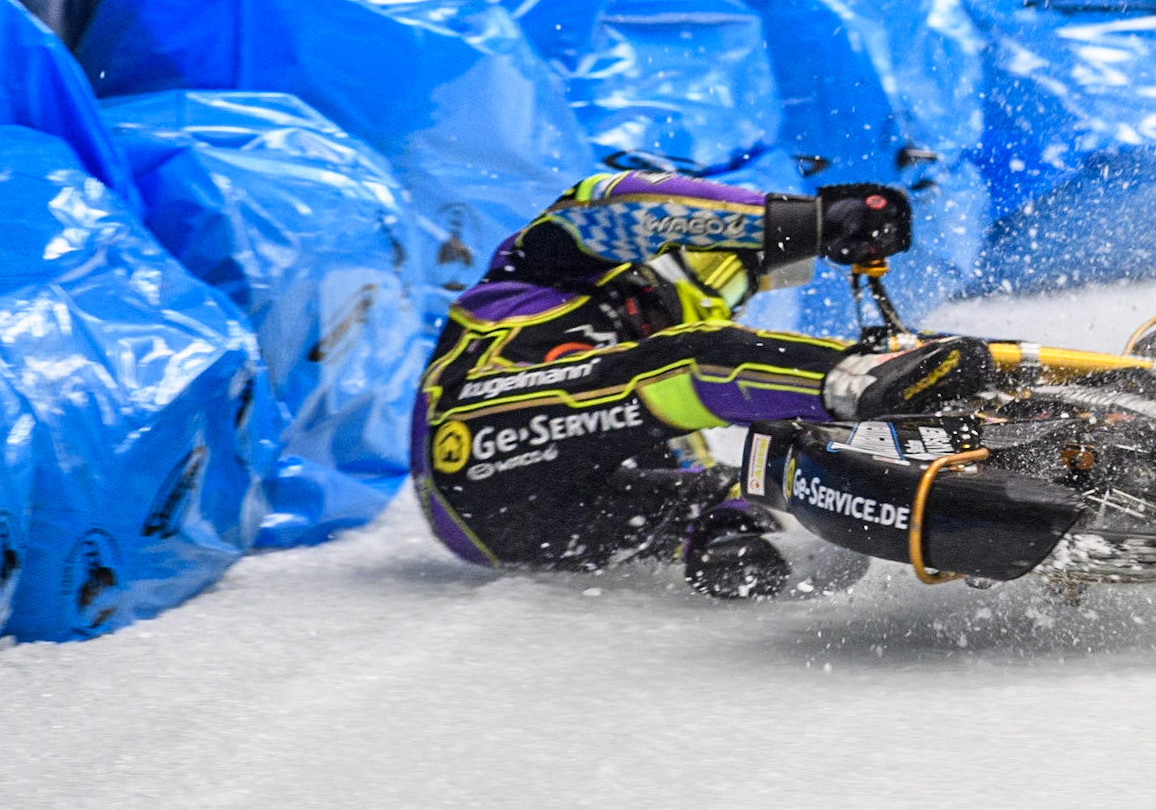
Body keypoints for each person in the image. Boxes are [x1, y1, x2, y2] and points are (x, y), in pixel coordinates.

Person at [411, 171, 995, 597]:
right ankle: (867, 382)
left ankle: (950, 482)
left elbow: (696, 470)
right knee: (699, 362)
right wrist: (811, 221)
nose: (734, 294)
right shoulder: (539, 267)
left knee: (734, 464)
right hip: (469, 430)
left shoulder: (649, 368)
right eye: (733, 271)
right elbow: (625, 207)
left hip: (531, 529)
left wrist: (740, 526)